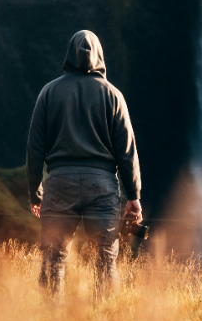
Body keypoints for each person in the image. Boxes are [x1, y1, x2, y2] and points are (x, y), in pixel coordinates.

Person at [26, 30, 142, 297]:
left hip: (59, 184)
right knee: (105, 260)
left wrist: (35, 192)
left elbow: (34, 148)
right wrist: (134, 196)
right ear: (100, 55)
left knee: (52, 259)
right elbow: (127, 151)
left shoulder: (49, 92)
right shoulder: (113, 96)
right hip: (102, 187)